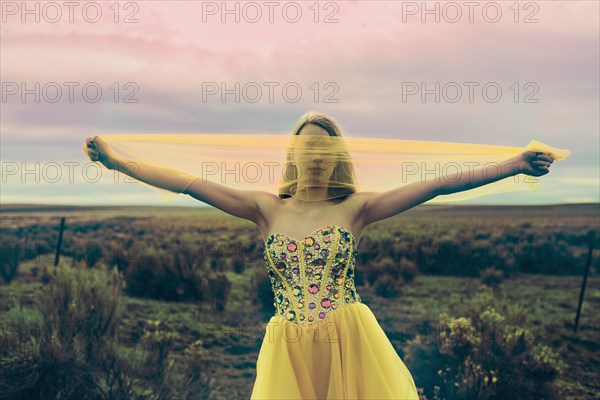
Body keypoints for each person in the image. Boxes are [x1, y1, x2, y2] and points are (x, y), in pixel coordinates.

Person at [83, 111, 555, 399]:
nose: (315, 157)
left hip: (349, 341)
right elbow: (187, 182)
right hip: (288, 347)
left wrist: (513, 166)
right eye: (306, 148)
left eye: (324, 149)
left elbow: (436, 185)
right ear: (294, 155)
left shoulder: (357, 207)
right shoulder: (263, 208)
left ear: (336, 157)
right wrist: (116, 160)